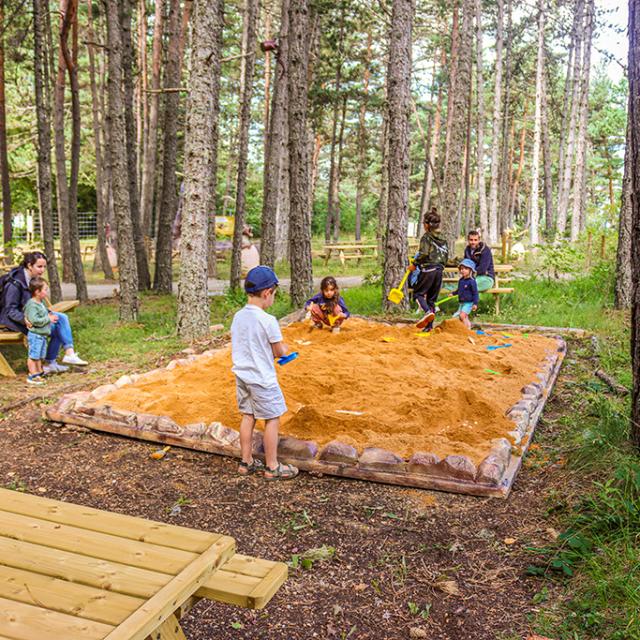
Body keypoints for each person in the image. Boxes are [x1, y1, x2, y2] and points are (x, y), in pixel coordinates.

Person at [230, 265, 298, 480]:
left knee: (248, 416)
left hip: (242, 376)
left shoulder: (238, 317)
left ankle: (246, 462)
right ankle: (272, 467)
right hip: (262, 379)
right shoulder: (268, 321)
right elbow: (278, 351)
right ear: (267, 292)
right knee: (272, 419)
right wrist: (284, 350)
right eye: (274, 295)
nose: (273, 299)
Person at [0, 251, 88, 373]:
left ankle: (67, 354)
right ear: (29, 266)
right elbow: (10, 310)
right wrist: (25, 319)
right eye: (39, 266)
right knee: (57, 325)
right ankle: (53, 361)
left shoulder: (32, 279)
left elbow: (34, 303)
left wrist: (46, 312)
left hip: (31, 315)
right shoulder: (15, 283)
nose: (42, 270)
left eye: (44, 267)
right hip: (13, 321)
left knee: (60, 318)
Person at [410, 209, 449, 332]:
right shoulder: (443, 238)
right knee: (431, 299)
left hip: (428, 269)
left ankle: (427, 312)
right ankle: (429, 327)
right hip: (439, 270)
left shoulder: (426, 237)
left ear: (427, 225)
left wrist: (414, 264)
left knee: (418, 294)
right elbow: (445, 256)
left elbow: (424, 253)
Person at [23, 276, 51, 385]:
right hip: (35, 335)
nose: (46, 292)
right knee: (33, 355)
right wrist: (48, 318)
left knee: (39, 355)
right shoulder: (32, 304)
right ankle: (32, 375)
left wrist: (48, 315)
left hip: (42, 335)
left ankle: (39, 372)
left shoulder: (40, 303)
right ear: (37, 292)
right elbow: (34, 320)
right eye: (45, 289)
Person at [450, 258, 479, 329]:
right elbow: (459, 290)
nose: (463, 270)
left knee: (462, 315)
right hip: (462, 302)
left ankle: (467, 328)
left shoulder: (472, 281)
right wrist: (453, 293)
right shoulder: (461, 280)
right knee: (460, 316)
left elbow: (475, 293)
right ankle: (466, 326)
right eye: (461, 269)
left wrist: (475, 303)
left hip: (469, 303)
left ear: (471, 270)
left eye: (465, 269)